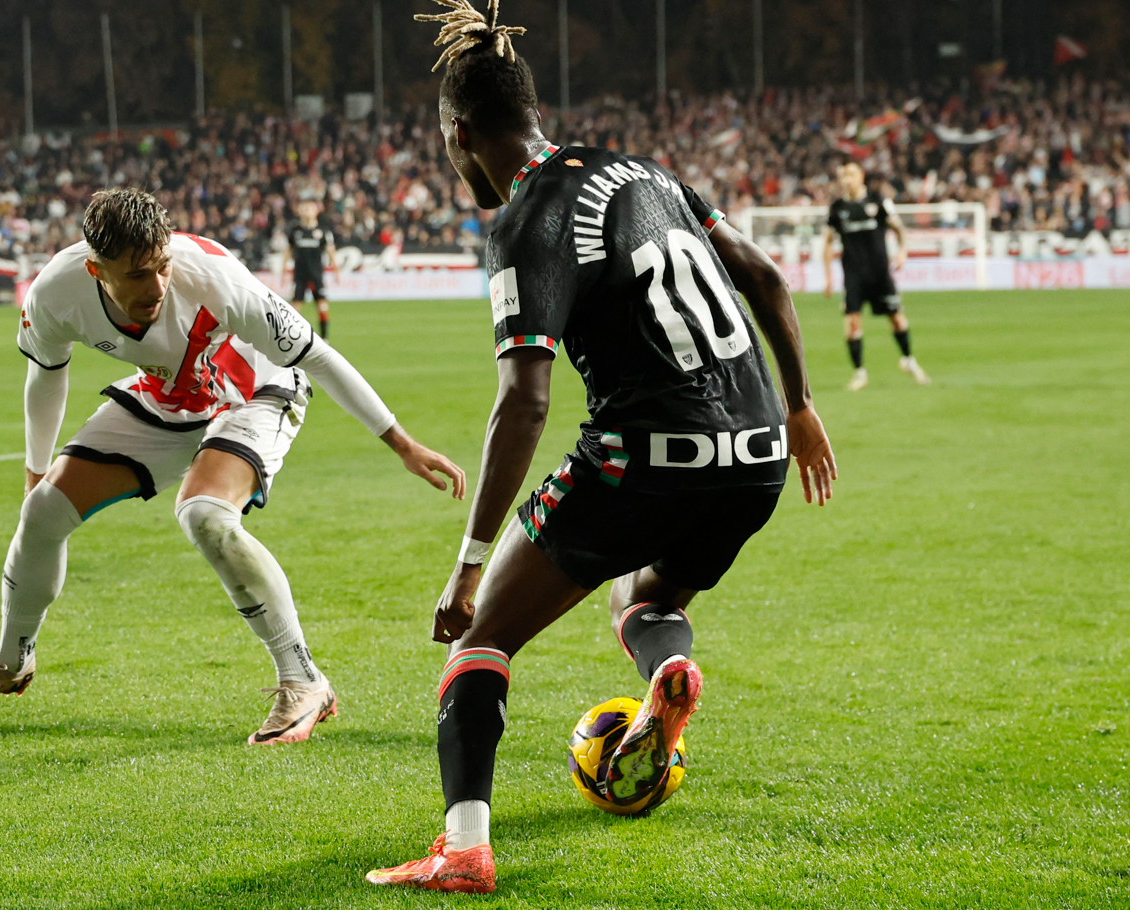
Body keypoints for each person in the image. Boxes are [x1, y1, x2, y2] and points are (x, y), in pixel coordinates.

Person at [366, 0, 837, 893]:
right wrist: (802, 407)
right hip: (757, 453)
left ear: (460, 133)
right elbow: (768, 275)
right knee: (647, 597)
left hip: (647, 454)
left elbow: (523, 404)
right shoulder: (645, 171)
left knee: (485, 642)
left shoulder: (526, 218)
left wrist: (466, 567)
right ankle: (669, 671)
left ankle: (462, 849)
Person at [0, 188, 465, 745]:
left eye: (161, 267)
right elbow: (47, 374)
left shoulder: (216, 280)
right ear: (94, 269)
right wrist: (36, 472)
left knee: (204, 514)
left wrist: (401, 443)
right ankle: (11, 662)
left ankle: (304, 679)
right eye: (136, 276)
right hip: (167, 395)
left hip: (256, 387)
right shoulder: (56, 293)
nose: (155, 287)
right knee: (41, 512)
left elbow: (316, 354)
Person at [823, 162, 930, 390]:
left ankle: (908, 360)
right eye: (843, 176)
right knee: (851, 322)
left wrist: (903, 251)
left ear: (860, 176)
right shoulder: (837, 208)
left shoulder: (877, 201)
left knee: (897, 318)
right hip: (853, 275)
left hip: (880, 272)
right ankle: (859, 373)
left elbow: (899, 228)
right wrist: (828, 278)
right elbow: (827, 243)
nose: (846, 180)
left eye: (850, 174)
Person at [284, 201, 336, 339]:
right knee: (295, 308)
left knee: (322, 305)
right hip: (299, 275)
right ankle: (294, 338)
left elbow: (331, 251)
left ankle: (325, 338)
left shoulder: (323, 231)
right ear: (299, 211)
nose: (307, 210)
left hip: (316, 275)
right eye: (304, 208)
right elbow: (288, 251)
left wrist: (337, 270)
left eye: (310, 208)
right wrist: (283, 271)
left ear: (316, 211)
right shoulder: (295, 231)